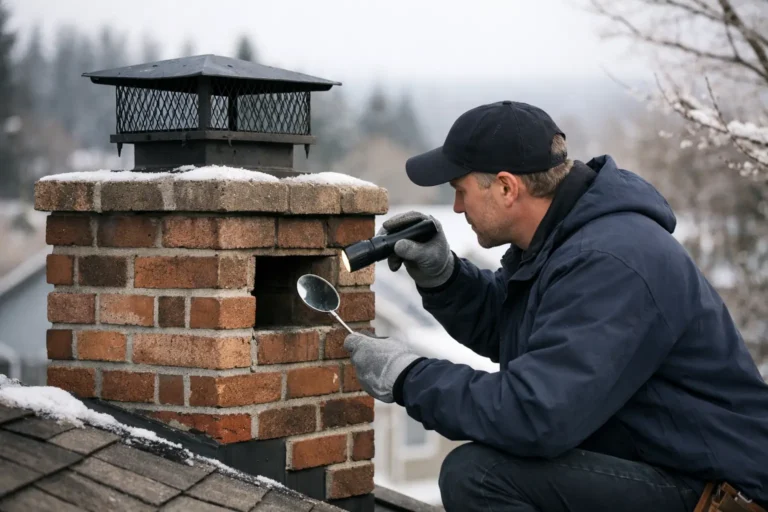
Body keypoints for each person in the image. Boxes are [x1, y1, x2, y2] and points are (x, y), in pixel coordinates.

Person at [343, 101, 768, 511]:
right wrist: (446, 278)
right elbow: (518, 331)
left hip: (716, 492)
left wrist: (409, 377)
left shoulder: (611, 262)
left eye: (461, 191)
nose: (456, 207)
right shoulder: (560, 241)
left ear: (507, 187)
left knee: (479, 475)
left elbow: (535, 414)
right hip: (660, 463)